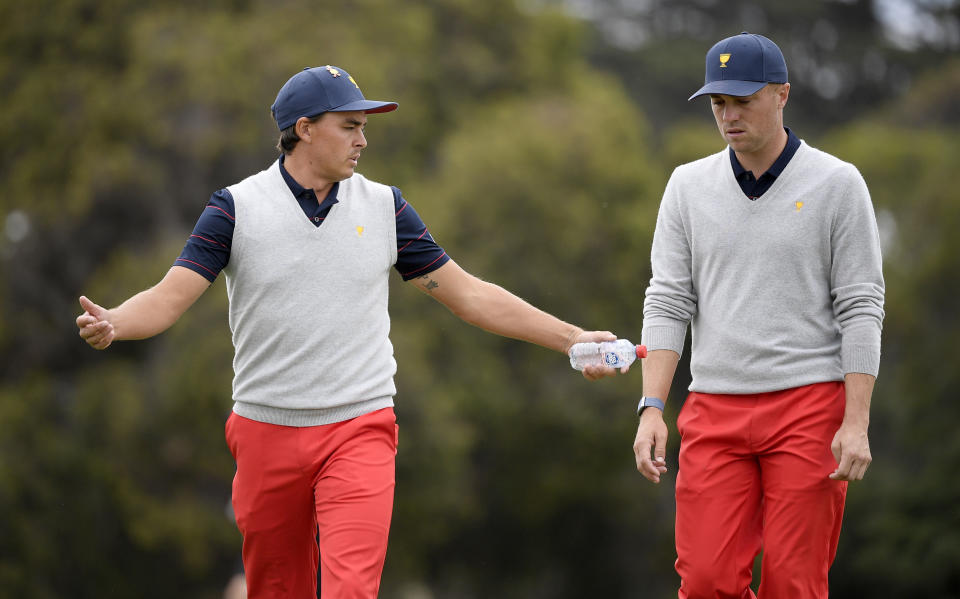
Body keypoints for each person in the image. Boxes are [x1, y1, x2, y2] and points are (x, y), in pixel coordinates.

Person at [76, 65, 622, 599]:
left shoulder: (386, 208)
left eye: (364, 126)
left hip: (359, 425)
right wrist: (116, 322)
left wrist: (572, 337)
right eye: (350, 125)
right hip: (265, 429)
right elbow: (170, 297)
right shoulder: (235, 208)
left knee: (352, 590)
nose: (363, 139)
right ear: (304, 129)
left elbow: (471, 296)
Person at [631, 33, 884, 598]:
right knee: (705, 582)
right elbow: (669, 300)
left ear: (783, 95)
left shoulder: (838, 184)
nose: (729, 115)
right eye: (719, 103)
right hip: (714, 407)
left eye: (744, 100)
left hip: (808, 407)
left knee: (794, 583)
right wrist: (652, 407)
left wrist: (857, 419)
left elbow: (861, 304)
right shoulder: (686, 186)